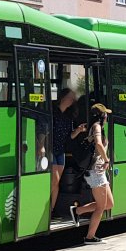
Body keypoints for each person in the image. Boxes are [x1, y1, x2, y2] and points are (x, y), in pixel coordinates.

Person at [69, 103, 114, 244]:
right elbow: (99, 144)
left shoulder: (98, 127)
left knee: (109, 204)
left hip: (99, 171)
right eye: (105, 114)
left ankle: (78, 211)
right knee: (101, 207)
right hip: (95, 171)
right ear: (101, 116)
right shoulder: (96, 127)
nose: (107, 117)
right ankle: (89, 237)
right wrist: (107, 161)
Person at [51, 88, 87, 216]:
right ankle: (45, 210)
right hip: (50, 149)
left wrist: (78, 130)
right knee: (54, 180)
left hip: (60, 151)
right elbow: (44, 130)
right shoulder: (52, 113)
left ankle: (51, 211)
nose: (72, 100)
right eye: (71, 97)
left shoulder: (68, 116)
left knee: (56, 183)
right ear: (63, 98)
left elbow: (69, 137)